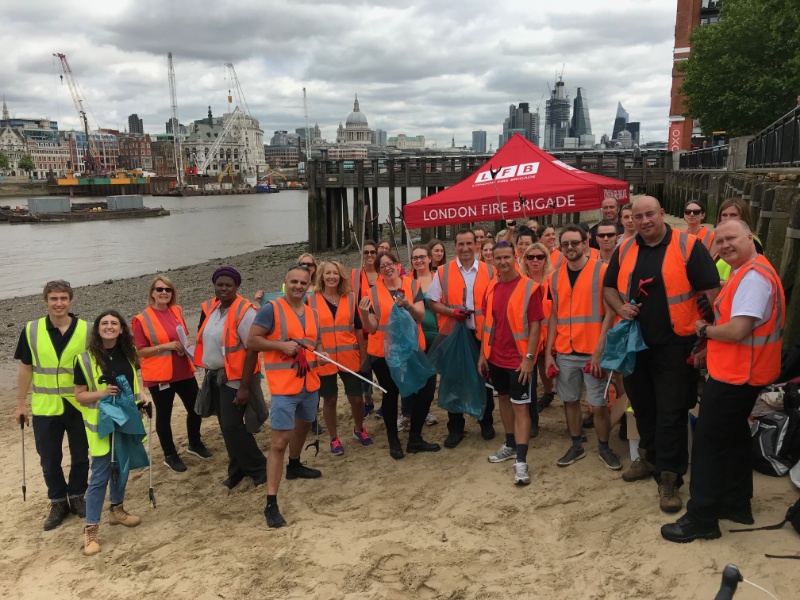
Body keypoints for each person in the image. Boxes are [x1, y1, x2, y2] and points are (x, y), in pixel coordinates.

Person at [662, 220, 785, 543]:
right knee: (734, 438)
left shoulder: (754, 276)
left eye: (731, 238)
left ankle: (701, 518)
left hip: (738, 375)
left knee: (708, 445)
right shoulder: (748, 271)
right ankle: (736, 503)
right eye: (719, 241)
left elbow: (737, 330)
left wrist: (704, 330)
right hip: (742, 372)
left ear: (750, 237)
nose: (724, 245)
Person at [603, 196, 720, 513]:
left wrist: (708, 339)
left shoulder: (688, 246)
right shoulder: (626, 248)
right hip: (636, 344)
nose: (644, 221)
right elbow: (608, 287)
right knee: (642, 408)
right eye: (638, 216)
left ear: (662, 214)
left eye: (650, 214)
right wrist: (620, 307)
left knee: (671, 413)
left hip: (676, 346)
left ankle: (670, 479)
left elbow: (712, 294)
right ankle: (650, 458)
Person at [240, 263, 328, 528]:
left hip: (310, 384)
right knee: (279, 442)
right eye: (294, 282)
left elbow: (317, 342)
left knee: (304, 426)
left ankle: (296, 464)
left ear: (309, 285)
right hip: (283, 389)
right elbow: (253, 342)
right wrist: (280, 345)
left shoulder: (312, 313)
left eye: (304, 283)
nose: (299, 287)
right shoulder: (271, 309)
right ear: (285, 282)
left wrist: (323, 353)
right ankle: (271, 502)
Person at [74, 310, 151, 556]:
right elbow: (79, 396)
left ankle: (116, 510)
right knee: (100, 475)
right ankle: (91, 528)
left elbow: (136, 384)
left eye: (114, 323)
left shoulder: (129, 355)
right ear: (97, 329)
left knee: (122, 468)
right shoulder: (84, 359)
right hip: (101, 424)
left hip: (127, 420)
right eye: (104, 323)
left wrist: (143, 399)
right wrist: (102, 393)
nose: (109, 327)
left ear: (121, 329)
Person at [15, 279, 90, 531]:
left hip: (79, 406)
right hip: (45, 407)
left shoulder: (87, 330)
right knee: (49, 458)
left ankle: (77, 496)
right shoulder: (31, 330)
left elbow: (100, 364)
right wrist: (20, 404)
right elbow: (26, 368)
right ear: (45, 301)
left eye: (63, 298)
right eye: (54, 299)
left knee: (81, 456)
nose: (59, 303)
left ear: (70, 300)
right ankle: (58, 502)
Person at [544, 225, 620, 470]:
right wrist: (549, 353)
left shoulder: (603, 272)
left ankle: (604, 447)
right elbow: (554, 316)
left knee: (598, 404)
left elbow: (610, 314)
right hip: (566, 351)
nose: (570, 248)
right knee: (570, 400)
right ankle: (576, 444)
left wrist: (599, 350)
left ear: (586, 242)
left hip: (593, 351)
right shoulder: (554, 277)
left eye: (574, 243)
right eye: (565, 244)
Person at [358, 251, 439, 459]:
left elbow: (420, 316)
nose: (387, 268)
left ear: (398, 264)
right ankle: (393, 441)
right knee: (391, 393)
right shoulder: (372, 293)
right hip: (384, 354)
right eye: (382, 266)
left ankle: (415, 438)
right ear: (378, 271)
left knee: (427, 388)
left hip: (412, 349)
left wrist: (409, 305)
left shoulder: (413, 285)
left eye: (390, 263)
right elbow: (373, 328)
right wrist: (365, 315)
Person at [195, 267, 267, 490]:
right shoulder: (213, 308)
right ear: (214, 286)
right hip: (214, 377)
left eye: (229, 285)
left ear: (237, 286)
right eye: (220, 284)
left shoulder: (245, 312)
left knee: (233, 426)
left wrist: (244, 387)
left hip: (234, 378)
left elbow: (252, 349)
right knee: (226, 428)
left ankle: (259, 468)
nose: (224, 288)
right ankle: (236, 470)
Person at [480, 241, 545, 485]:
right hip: (495, 357)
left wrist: (530, 359)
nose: (503, 262)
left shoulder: (530, 288)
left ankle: (521, 460)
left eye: (507, 257)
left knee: (521, 407)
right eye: (498, 258)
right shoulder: (491, 286)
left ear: (515, 256)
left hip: (519, 360)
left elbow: (537, 325)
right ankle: (509, 443)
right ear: (492, 260)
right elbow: (489, 323)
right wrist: (482, 355)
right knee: (503, 400)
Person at [133, 275, 210, 473]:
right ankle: (170, 454)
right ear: (152, 293)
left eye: (168, 289)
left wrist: (188, 346)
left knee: (196, 407)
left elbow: (182, 336)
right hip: (160, 375)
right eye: (160, 289)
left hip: (183, 369)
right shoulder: (141, 319)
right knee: (164, 415)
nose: (164, 293)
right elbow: (139, 351)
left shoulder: (177, 310)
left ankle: (194, 443)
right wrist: (164, 346)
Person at [428, 229, 497, 447]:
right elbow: (432, 302)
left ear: (476, 246)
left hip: (482, 334)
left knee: (485, 380)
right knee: (454, 380)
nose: (465, 248)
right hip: (454, 335)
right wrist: (451, 313)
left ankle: (486, 422)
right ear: (454, 246)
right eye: (460, 244)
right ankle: (455, 428)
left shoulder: (490, 271)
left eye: (469, 243)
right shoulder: (442, 272)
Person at [308, 260, 372, 455]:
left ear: (341, 276)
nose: (331, 277)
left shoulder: (351, 298)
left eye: (335, 273)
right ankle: (334, 439)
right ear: (321, 276)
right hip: (324, 359)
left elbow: (358, 329)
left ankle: (359, 429)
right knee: (330, 400)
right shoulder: (312, 301)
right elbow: (309, 331)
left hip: (349, 356)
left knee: (357, 399)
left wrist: (363, 354)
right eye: (327, 273)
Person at [522, 243, 556, 425]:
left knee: (549, 372)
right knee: (530, 380)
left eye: (540, 257)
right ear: (525, 260)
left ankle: (550, 394)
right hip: (528, 338)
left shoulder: (553, 280)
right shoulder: (520, 281)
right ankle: (532, 420)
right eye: (531, 257)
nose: (535, 260)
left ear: (546, 259)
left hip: (550, 335)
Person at [410, 245, 440, 428]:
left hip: (437, 337)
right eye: (415, 258)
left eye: (422, 257)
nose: (419, 260)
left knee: (431, 381)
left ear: (430, 259)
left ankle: (422, 410)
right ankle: (420, 412)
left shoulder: (438, 280)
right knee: (419, 379)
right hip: (416, 339)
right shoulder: (408, 282)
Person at [715, 197, 764, 281]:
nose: (728, 218)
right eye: (724, 215)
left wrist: (715, 285)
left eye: (733, 215)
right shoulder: (722, 240)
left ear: (743, 217)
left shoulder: (751, 241)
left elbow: (747, 276)